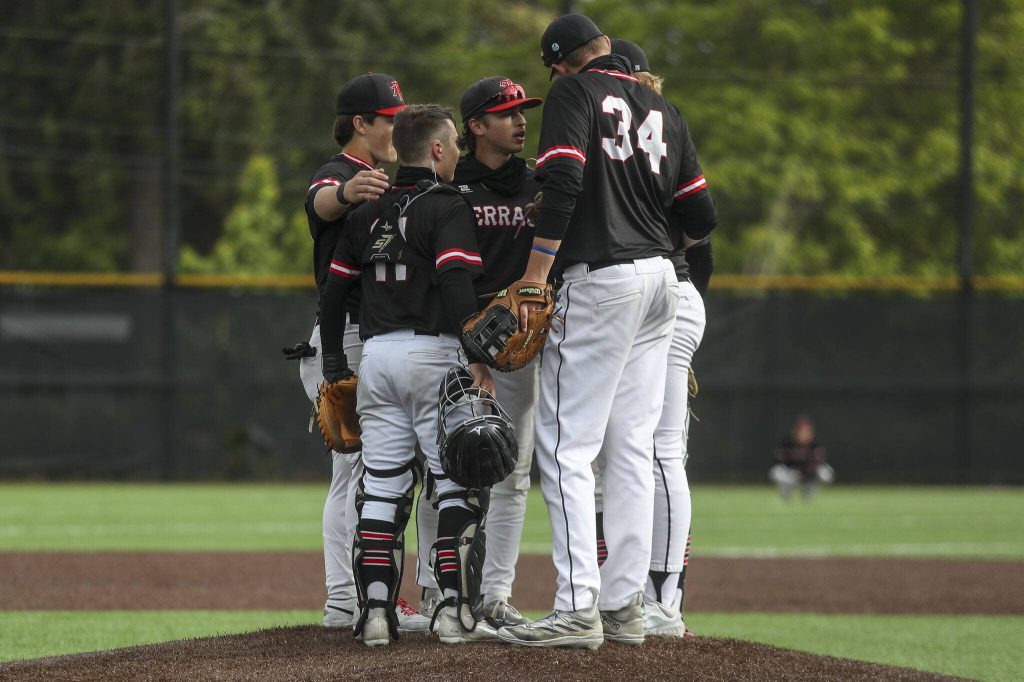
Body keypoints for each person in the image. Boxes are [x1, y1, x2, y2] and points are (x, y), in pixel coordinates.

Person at [496, 14, 714, 650]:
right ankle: (627, 607)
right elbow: (701, 212)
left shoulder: (573, 91)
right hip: (662, 283)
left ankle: (576, 607)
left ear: (562, 63)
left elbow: (563, 177)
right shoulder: (663, 106)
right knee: (631, 449)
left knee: (566, 447)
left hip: (603, 281)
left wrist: (537, 272)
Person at [318, 104, 499, 646]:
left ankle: (374, 614)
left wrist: (333, 366)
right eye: (455, 147)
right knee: (455, 485)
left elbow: (332, 296)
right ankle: (453, 614)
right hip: (434, 354)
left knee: (381, 490)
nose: (459, 156)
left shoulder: (364, 211)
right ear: (438, 150)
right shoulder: (446, 207)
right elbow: (456, 286)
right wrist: (478, 357)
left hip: (376, 358)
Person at [290, 72, 430, 632]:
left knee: (368, 472)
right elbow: (322, 202)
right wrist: (346, 193)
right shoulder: (342, 172)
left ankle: (354, 598)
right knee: (358, 471)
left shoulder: (382, 177)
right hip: (343, 336)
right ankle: (351, 598)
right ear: (360, 123)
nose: (396, 126)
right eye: (389, 118)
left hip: (367, 334)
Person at [597, 37, 715, 640]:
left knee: (657, 448)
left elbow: (700, 231)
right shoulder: (660, 130)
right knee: (619, 451)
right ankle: (628, 592)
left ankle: (663, 598)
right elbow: (703, 229)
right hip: (664, 293)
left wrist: (684, 299)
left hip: (654, 297)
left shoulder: (624, 131)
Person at [453, 76, 543, 628]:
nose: (520, 120)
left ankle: (495, 595)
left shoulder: (540, 185)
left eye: (522, 110)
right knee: (451, 470)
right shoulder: (451, 185)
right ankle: (443, 591)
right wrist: (468, 350)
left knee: (513, 471)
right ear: (476, 126)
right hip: (457, 344)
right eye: (507, 112)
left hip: (520, 351)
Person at [770, 415, 835, 501]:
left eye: (806, 431)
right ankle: (786, 492)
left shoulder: (815, 444)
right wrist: (794, 470)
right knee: (776, 472)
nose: (803, 434)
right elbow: (779, 461)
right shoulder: (787, 443)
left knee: (826, 474)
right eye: (800, 431)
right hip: (792, 474)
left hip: (808, 474)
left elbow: (818, 463)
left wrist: (805, 470)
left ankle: (809, 489)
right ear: (795, 432)